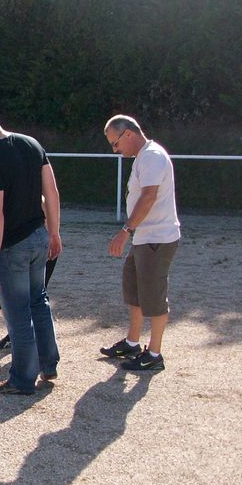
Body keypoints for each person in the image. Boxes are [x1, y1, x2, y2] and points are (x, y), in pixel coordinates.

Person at [0, 101, 63, 395]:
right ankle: (48, 364)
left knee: (18, 312)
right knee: (39, 301)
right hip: (39, 236)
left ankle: (22, 379)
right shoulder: (31, 144)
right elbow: (52, 192)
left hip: (14, 246)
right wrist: (54, 233)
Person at [100, 115, 180, 372]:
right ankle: (133, 343)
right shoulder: (143, 158)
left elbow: (148, 198)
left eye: (115, 143)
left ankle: (154, 354)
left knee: (154, 297)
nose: (115, 149)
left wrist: (125, 231)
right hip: (144, 238)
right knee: (134, 290)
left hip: (157, 238)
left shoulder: (153, 156)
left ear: (128, 134)